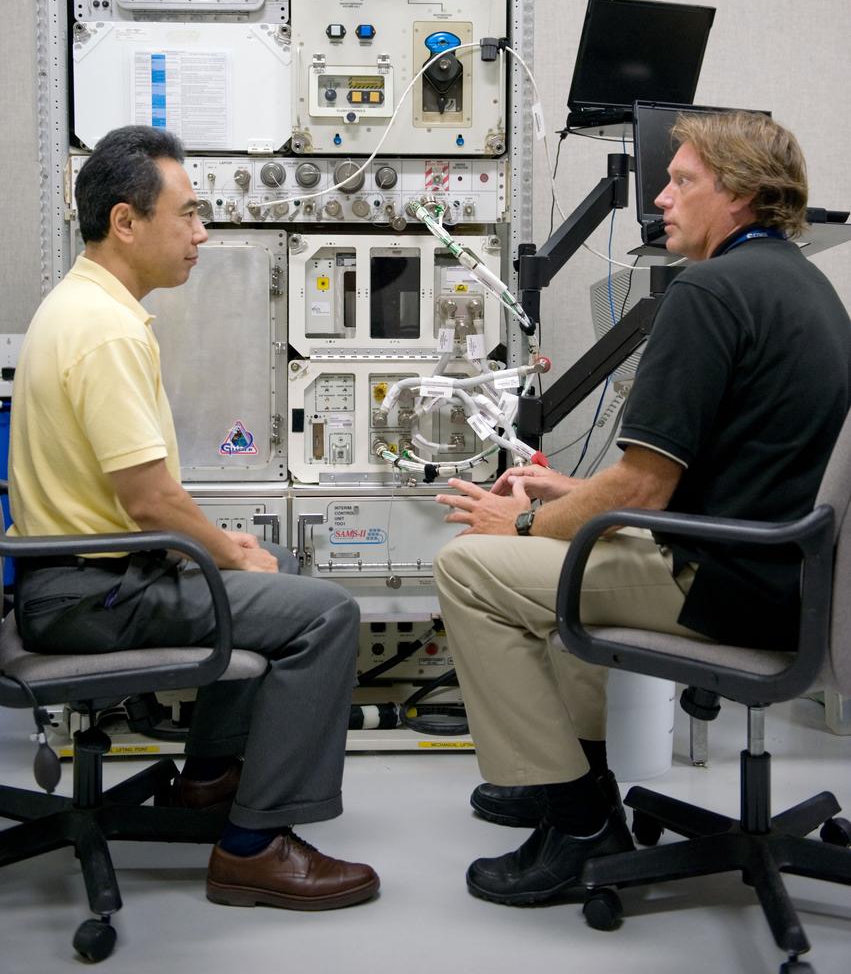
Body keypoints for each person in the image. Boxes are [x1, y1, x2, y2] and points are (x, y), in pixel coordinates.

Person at [432, 111, 851, 907]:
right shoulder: (804, 286)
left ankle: (579, 825)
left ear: (740, 196)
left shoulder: (708, 291)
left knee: (472, 569)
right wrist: (568, 497)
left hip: (728, 585)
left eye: (681, 180)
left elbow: (641, 490)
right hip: (789, 576)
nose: (659, 197)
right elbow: (710, 469)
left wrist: (518, 522)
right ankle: (560, 774)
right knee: (558, 561)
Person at [9, 125, 379, 912]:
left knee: (264, 561)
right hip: (93, 594)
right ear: (126, 222)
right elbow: (148, 500)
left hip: (79, 578)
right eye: (188, 214)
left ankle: (210, 782)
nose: (202, 232)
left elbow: (140, 498)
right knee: (325, 615)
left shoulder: (81, 305)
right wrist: (224, 552)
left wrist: (228, 547)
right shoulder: (104, 330)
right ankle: (255, 847)